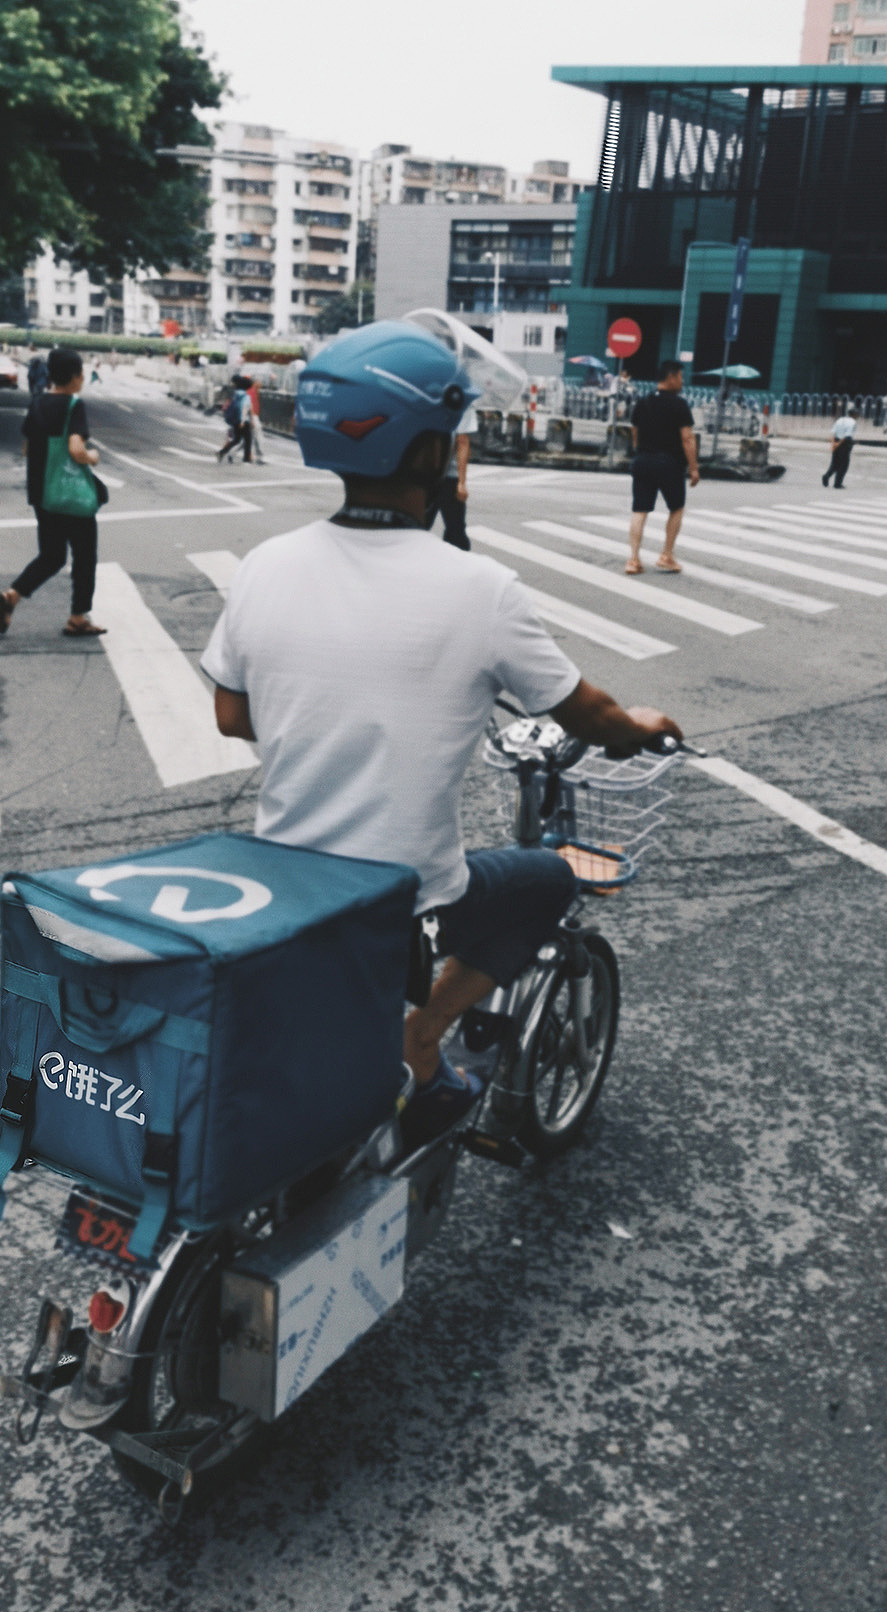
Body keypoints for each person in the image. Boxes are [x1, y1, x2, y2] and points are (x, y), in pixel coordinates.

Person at [201, 321, 683, 1145]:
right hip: (407, 895)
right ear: (426, 451)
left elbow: (231, 714)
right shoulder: (479, 590)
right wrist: (638, 726)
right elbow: (589, 716)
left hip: (290, 882)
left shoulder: (266, 564)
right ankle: (420, 1037)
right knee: (546, 880)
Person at [0, 346, 105, 638]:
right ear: (75, 377)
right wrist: (92, 457)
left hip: (42, 492)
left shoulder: (38, 402)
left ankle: (10, 597)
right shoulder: (73, 405)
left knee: (52, 556)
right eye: (80, 373)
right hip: (71, 495)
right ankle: (78, 617)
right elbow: (76, 450)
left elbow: (27, 447)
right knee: (84, 556)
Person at [626, 359, 699, 575]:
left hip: (643, 461)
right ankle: (666, 555)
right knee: (676, 508)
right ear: (671, 377)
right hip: (669, 463)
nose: (682, 381)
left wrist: (641, 451)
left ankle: (633, 559)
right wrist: (694, 468)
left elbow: (634, 431)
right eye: (681, 377)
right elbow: (687, 438)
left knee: (640, 510)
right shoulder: (679, 404)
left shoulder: (643, 402)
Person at [435, 400, 478, 550]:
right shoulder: (461, 398)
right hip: (448, 476)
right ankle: (453, 568)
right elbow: (462, 442)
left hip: (419, 474)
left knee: (413, 529)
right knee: (456, 531)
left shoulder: (420, 391)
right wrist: (461, 483)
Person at [216, 376, 252, 464]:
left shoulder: (235, 394)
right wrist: (243, 420)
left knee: (237, 439)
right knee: (248, 440)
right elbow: (244, 408)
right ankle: (246, 459)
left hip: (235, 419)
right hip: (243, 420)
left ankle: (222, 452)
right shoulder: (246, 396)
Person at [822, 407, 857, 489]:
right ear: (854, 415)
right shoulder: (853, 422)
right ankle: (837, 483)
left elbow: (833, 432)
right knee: (844, 465)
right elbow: (847, 435)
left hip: (836, 440)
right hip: (844, 443)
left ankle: (827, 476)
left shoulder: (840, 420)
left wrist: (834, 443)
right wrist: (839, 444)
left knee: (835, 463)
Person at [245, 377, 266, 464]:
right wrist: (252, 419)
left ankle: (232, 453)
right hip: (253, 416)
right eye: (260, 382)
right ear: (255, 382)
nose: (261, 384)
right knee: (258, 437)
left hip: (253, 416)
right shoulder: (251, 391)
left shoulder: (254, 391)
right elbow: (250, 406)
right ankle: (260, 457)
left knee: (249, 438)